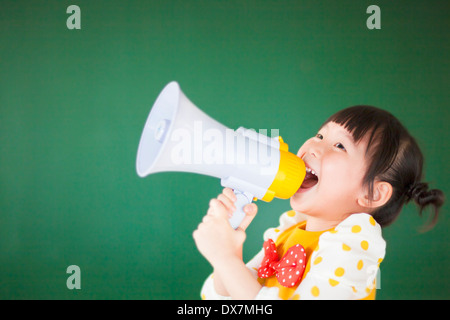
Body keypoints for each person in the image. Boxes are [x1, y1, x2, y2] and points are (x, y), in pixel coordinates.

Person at [193, 105, 444, 300]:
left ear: (372, 194)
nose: (313, 145)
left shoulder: (355, 244)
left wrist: (226, 258)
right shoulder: (288, 231)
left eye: (339, 145)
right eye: (319, 134)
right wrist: (230, 253)